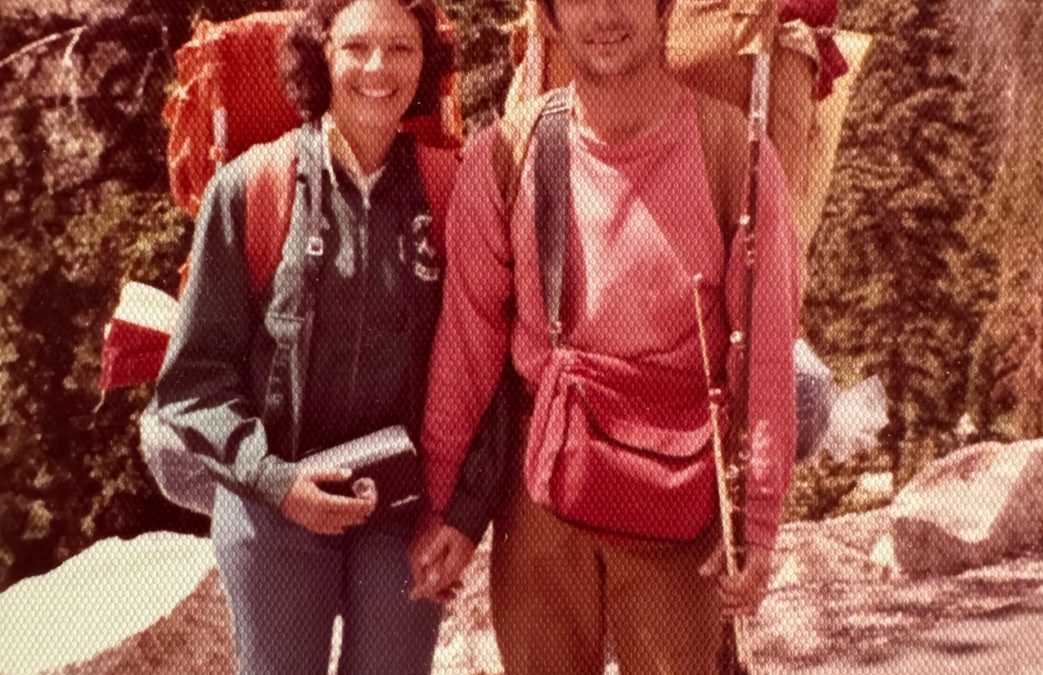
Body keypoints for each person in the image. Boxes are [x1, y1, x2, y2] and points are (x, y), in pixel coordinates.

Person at [411, 0, 800, 672]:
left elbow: (764, 353)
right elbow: (466, 347)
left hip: (676, 489)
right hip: (542, 485)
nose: (605, 14)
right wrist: (442, 502)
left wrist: (758, 515)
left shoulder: (733, 153)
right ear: (550, 17)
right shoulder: (507, 153)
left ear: (664, 8)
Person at [155, 1, 458, 672]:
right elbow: (195, 380)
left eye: (402, 49)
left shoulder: (449, 191)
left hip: (399, 509)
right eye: (356, 47)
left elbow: (477, 368)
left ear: (425, 63)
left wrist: (458, 512)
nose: (378, 68)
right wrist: (275, 479)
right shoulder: (250, 188)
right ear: (321, 56)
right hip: (274, 505)